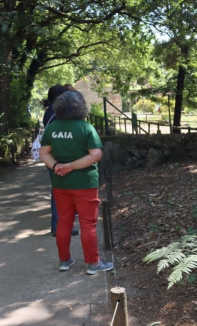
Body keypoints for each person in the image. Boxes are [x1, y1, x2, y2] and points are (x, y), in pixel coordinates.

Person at [39, 90, 113, 274]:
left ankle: (64, 260)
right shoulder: (86, 128)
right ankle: (94, 263)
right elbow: (95, 155)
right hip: (84, 183)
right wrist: (72, 166)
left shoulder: (52, 128)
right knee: (88, 224)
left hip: (60, 183)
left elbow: (44, 153)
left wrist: (57, 166)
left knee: (63, 222)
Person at [42, 85, 78, 237]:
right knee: (59, 193)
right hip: (57, 158)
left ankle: (59, 226)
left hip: (53, 157)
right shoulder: (56, 114)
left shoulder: (49, 112)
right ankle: (59, 226)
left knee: (58, 191)